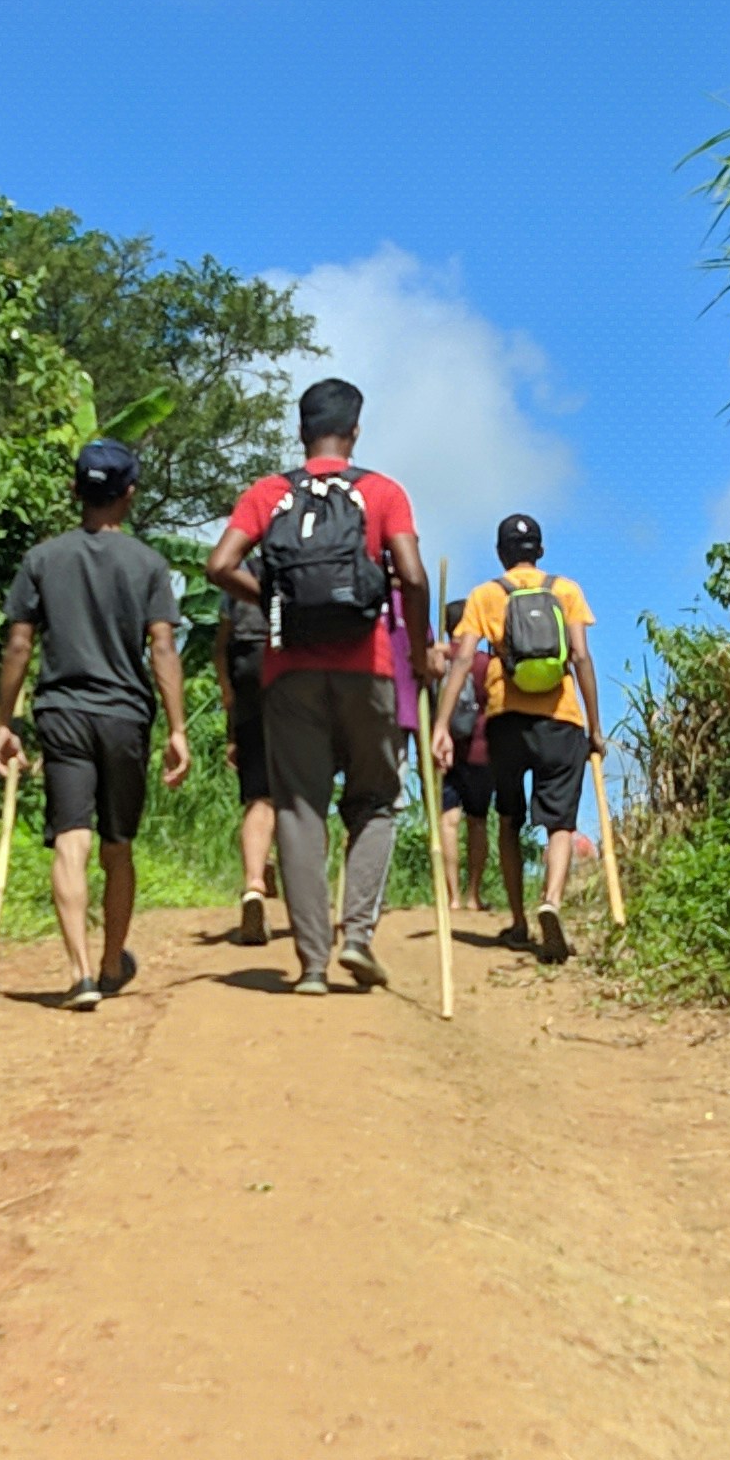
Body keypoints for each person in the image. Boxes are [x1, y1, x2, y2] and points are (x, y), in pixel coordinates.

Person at [206, 375, 433, 996]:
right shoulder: (382, 492)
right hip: (370, 669)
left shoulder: (269, 493)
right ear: (354, 433)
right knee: (376, 801)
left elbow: (219, 565)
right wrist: (419, 651)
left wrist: (277, 600)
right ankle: (356, 934)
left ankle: (310, 965)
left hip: (289, 670)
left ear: (301, 430)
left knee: (301, 811)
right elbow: (410, 575)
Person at [0, 438, 191, 1011]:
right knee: (118, 845)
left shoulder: (43, 559)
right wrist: (177, 729)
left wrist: (5, 721)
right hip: (125, 716)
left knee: (71, 840)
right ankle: (110, 964)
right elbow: (162, 647)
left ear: (76, 490)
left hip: (62, 714)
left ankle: (79, 973)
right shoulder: (149, 564)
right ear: (128, 495)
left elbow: (20, 644)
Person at [431, 512, 605, 963]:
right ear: (540, 551)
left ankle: (519, 920)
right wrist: (595, 727)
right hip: (561, 717)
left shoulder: (487, 595)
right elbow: (581, 659)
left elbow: (463, 661)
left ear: (500, 553)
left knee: (508, 818)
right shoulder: (566, 590)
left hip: (505, 720)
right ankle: (550, 899)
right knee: (560, 822)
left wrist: (439, 725)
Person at [212, 578, 276, 941]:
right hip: (299, 679)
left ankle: (254, 884)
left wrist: (231, 705)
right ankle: (306, 902)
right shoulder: (309, 562)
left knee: (260, 795)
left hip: (249, 678)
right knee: (302, 798)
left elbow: (221, 649)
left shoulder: (238, 578)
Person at [440, 592, 495, 910]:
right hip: (481, 750)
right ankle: (473, 895)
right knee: (477, 820)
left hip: (446, 749)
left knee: (449, 821)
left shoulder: (440, 657)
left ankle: (453, 898)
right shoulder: (484, 663)